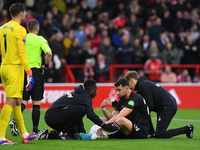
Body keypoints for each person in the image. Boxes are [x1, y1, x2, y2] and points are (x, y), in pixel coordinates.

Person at [0, 3, 36, 145]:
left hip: (4, 66)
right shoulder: (20, 30)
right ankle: (1, 137)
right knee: (10, 101)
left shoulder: (2, 28)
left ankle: (25, 134)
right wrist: (29, 73)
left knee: (17, 102)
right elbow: (23, 54)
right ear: (21, 14)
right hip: (14, 68)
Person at [9, 19, 52, 136]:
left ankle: (14, 121)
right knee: (36, 102)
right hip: (35, 71)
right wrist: (46, 65)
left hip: (22, 70)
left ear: (27, 29)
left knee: (23, 100)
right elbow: (49, 53)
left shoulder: (24, 38)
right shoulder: (40, 39)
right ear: (37, 28)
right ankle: (35, 130)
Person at [36, 79, 119, 140]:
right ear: (91, 90)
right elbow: (90, 114)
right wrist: (104, 126)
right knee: (82, 109)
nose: (96, 93)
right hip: (54, 116)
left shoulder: (80, 93)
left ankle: (48, 135)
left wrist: (82, 132)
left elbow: (77, 116)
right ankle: (64, 133)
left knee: (75, 135)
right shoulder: (86, 96)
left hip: (53, 116)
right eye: (96, 90)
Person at [124, 70, 194, 138]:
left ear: (132, 80)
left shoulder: (143, 86)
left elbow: (149, 106)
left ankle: (187, 129)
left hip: (167, 107)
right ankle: (151, 132)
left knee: (160, 134)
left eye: (128, 84)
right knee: (145, 112)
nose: (129, 88)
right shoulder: (144, 84)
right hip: (165, 106)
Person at [76, 78, 150, 140]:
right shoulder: (122, 100)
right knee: (100, 120)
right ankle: (89, 135)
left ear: (127, 88)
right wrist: (103, 108)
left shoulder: (135, 99)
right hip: (126, 130)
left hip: (140, 131)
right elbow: (112, 117)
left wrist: (104, 126)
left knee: (121, 119)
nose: (117, 93)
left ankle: (93, 136)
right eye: (116, 90)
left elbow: (119, 116)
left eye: (119, 90)